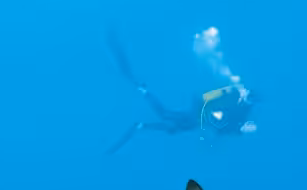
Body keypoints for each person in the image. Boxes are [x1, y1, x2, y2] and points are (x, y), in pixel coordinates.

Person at [105, 28, 258, 154]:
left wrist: (238, 130)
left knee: (173, 125)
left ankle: (143, 121)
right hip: (199, 113)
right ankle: (143, 94)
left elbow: (228, 127)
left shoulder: (242, 109)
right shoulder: (233, 94)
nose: (246, 99)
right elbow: (208, 98)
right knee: (167, 116)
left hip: (201, 118)